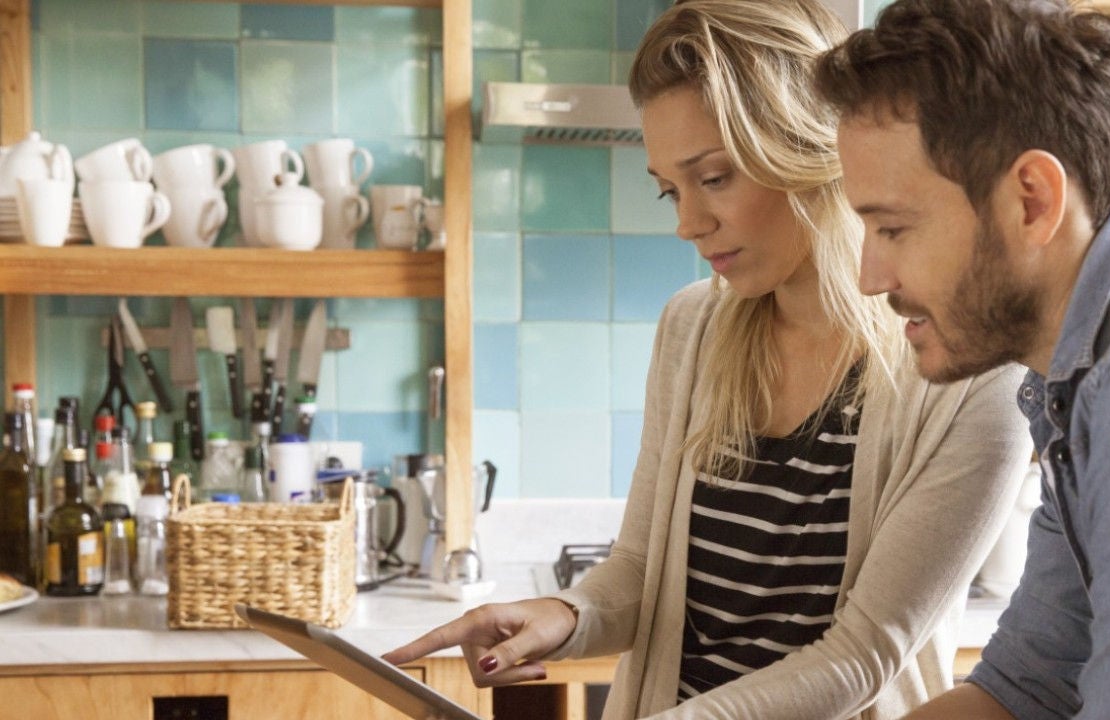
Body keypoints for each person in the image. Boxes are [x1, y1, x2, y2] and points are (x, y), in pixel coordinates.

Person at [385, 1, 1032, 717]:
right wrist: (563, 617)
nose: (688, 224)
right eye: (670, 189)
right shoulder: (691, 328)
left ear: (806, 147)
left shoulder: (971, 377)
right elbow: (637, 570)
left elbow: (864, 657)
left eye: (715, 177)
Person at [814, 0, 1110, 717]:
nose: (870, 277)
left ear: (1032, 201)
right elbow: (1028, 686)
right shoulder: (1080, 366)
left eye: (893, 227)